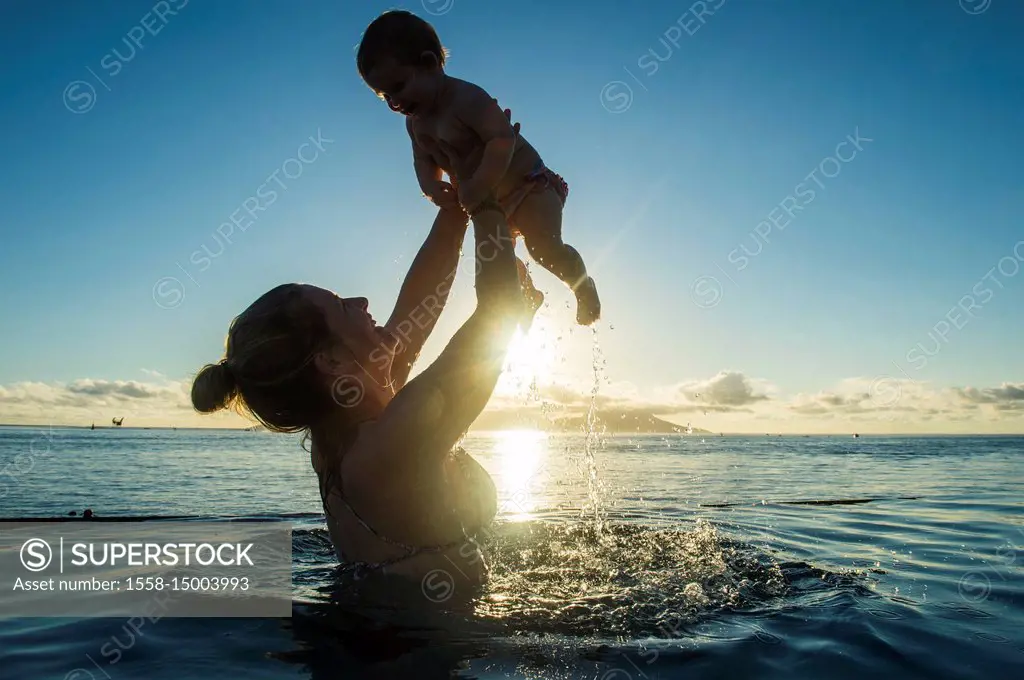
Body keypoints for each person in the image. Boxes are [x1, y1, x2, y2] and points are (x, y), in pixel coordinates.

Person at [190, 182, 536, 588]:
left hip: (379, 631)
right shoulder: (385, 447)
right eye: (341, 306)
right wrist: (487, 202)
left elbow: (422, 299)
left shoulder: (351, 417)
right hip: (419, 642)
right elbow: (498, 311)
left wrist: (458, 204)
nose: (362, 302)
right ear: (332, 361)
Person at [356, 9, 601, 325]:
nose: (395, 103)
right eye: (385, 96)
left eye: (399, 87)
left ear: (430, 64)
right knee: (498, 262)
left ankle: (582, 285)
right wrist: (431, 187)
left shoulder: (466, 98)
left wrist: (477, 184)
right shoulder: (415, 124)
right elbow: (422, 160)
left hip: (529, 187)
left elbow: (501, 139)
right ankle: (529, 295)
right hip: (490, 204)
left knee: (544, 249)